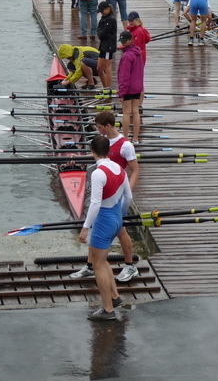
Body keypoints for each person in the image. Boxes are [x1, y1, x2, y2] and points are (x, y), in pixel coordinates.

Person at [70, 111, 141, 283]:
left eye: (100, 127)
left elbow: (135, 171)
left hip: (117, 196)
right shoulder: (104, 143)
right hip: (107, 191)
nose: (99, 130)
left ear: (108, 126)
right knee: (98, 226)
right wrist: (79, 158)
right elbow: (99, 157)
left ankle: (130, 266)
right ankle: (89, 266)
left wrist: (124, 194)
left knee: (121, 232)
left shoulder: (125, 146)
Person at [77, 135, 132, 320]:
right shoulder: (120, 169)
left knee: (98, 264)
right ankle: (115, 297)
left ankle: (108, 310)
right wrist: (119, 215)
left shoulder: (98, 173)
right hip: (116, 218)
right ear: (108, 150)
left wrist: (85, 228)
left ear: (92, 151)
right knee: (103, 260)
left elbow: (95, 204)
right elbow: (128, 198)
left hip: (104, 221)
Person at [117, 30, 144, 144]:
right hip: (138, 87)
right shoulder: (138, 52)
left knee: (126, 112)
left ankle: (125, 139)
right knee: (136, 112)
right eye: (122, 41)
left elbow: (124, 76)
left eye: (125, 41)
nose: (123, 43)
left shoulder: (127, 55)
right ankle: (136, 139)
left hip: (128, 88)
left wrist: (121, 92)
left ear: (131, 40)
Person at [126, 11, 151, 107]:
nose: (130, 22)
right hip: (137, 58)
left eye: (131, 20)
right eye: (129, 20)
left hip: (138, 60)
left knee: (138, 81)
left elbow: (137, 48)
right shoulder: (133, 30)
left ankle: (139, 104)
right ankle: (136, 102)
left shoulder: (138, 32)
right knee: (136, 80)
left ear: (137, 20)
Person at [96, 1, 117, 89]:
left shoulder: (110, 19)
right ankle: (105, 87)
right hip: (103, 45)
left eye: (102, 11)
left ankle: (108, 88)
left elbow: (103, 34)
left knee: (107, 67)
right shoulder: (103, 18)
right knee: (99, 68)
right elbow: (99, 31)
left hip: (109, 46)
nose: (101, 13)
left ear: (107, 9)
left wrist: (101, 32)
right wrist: (101, 32)